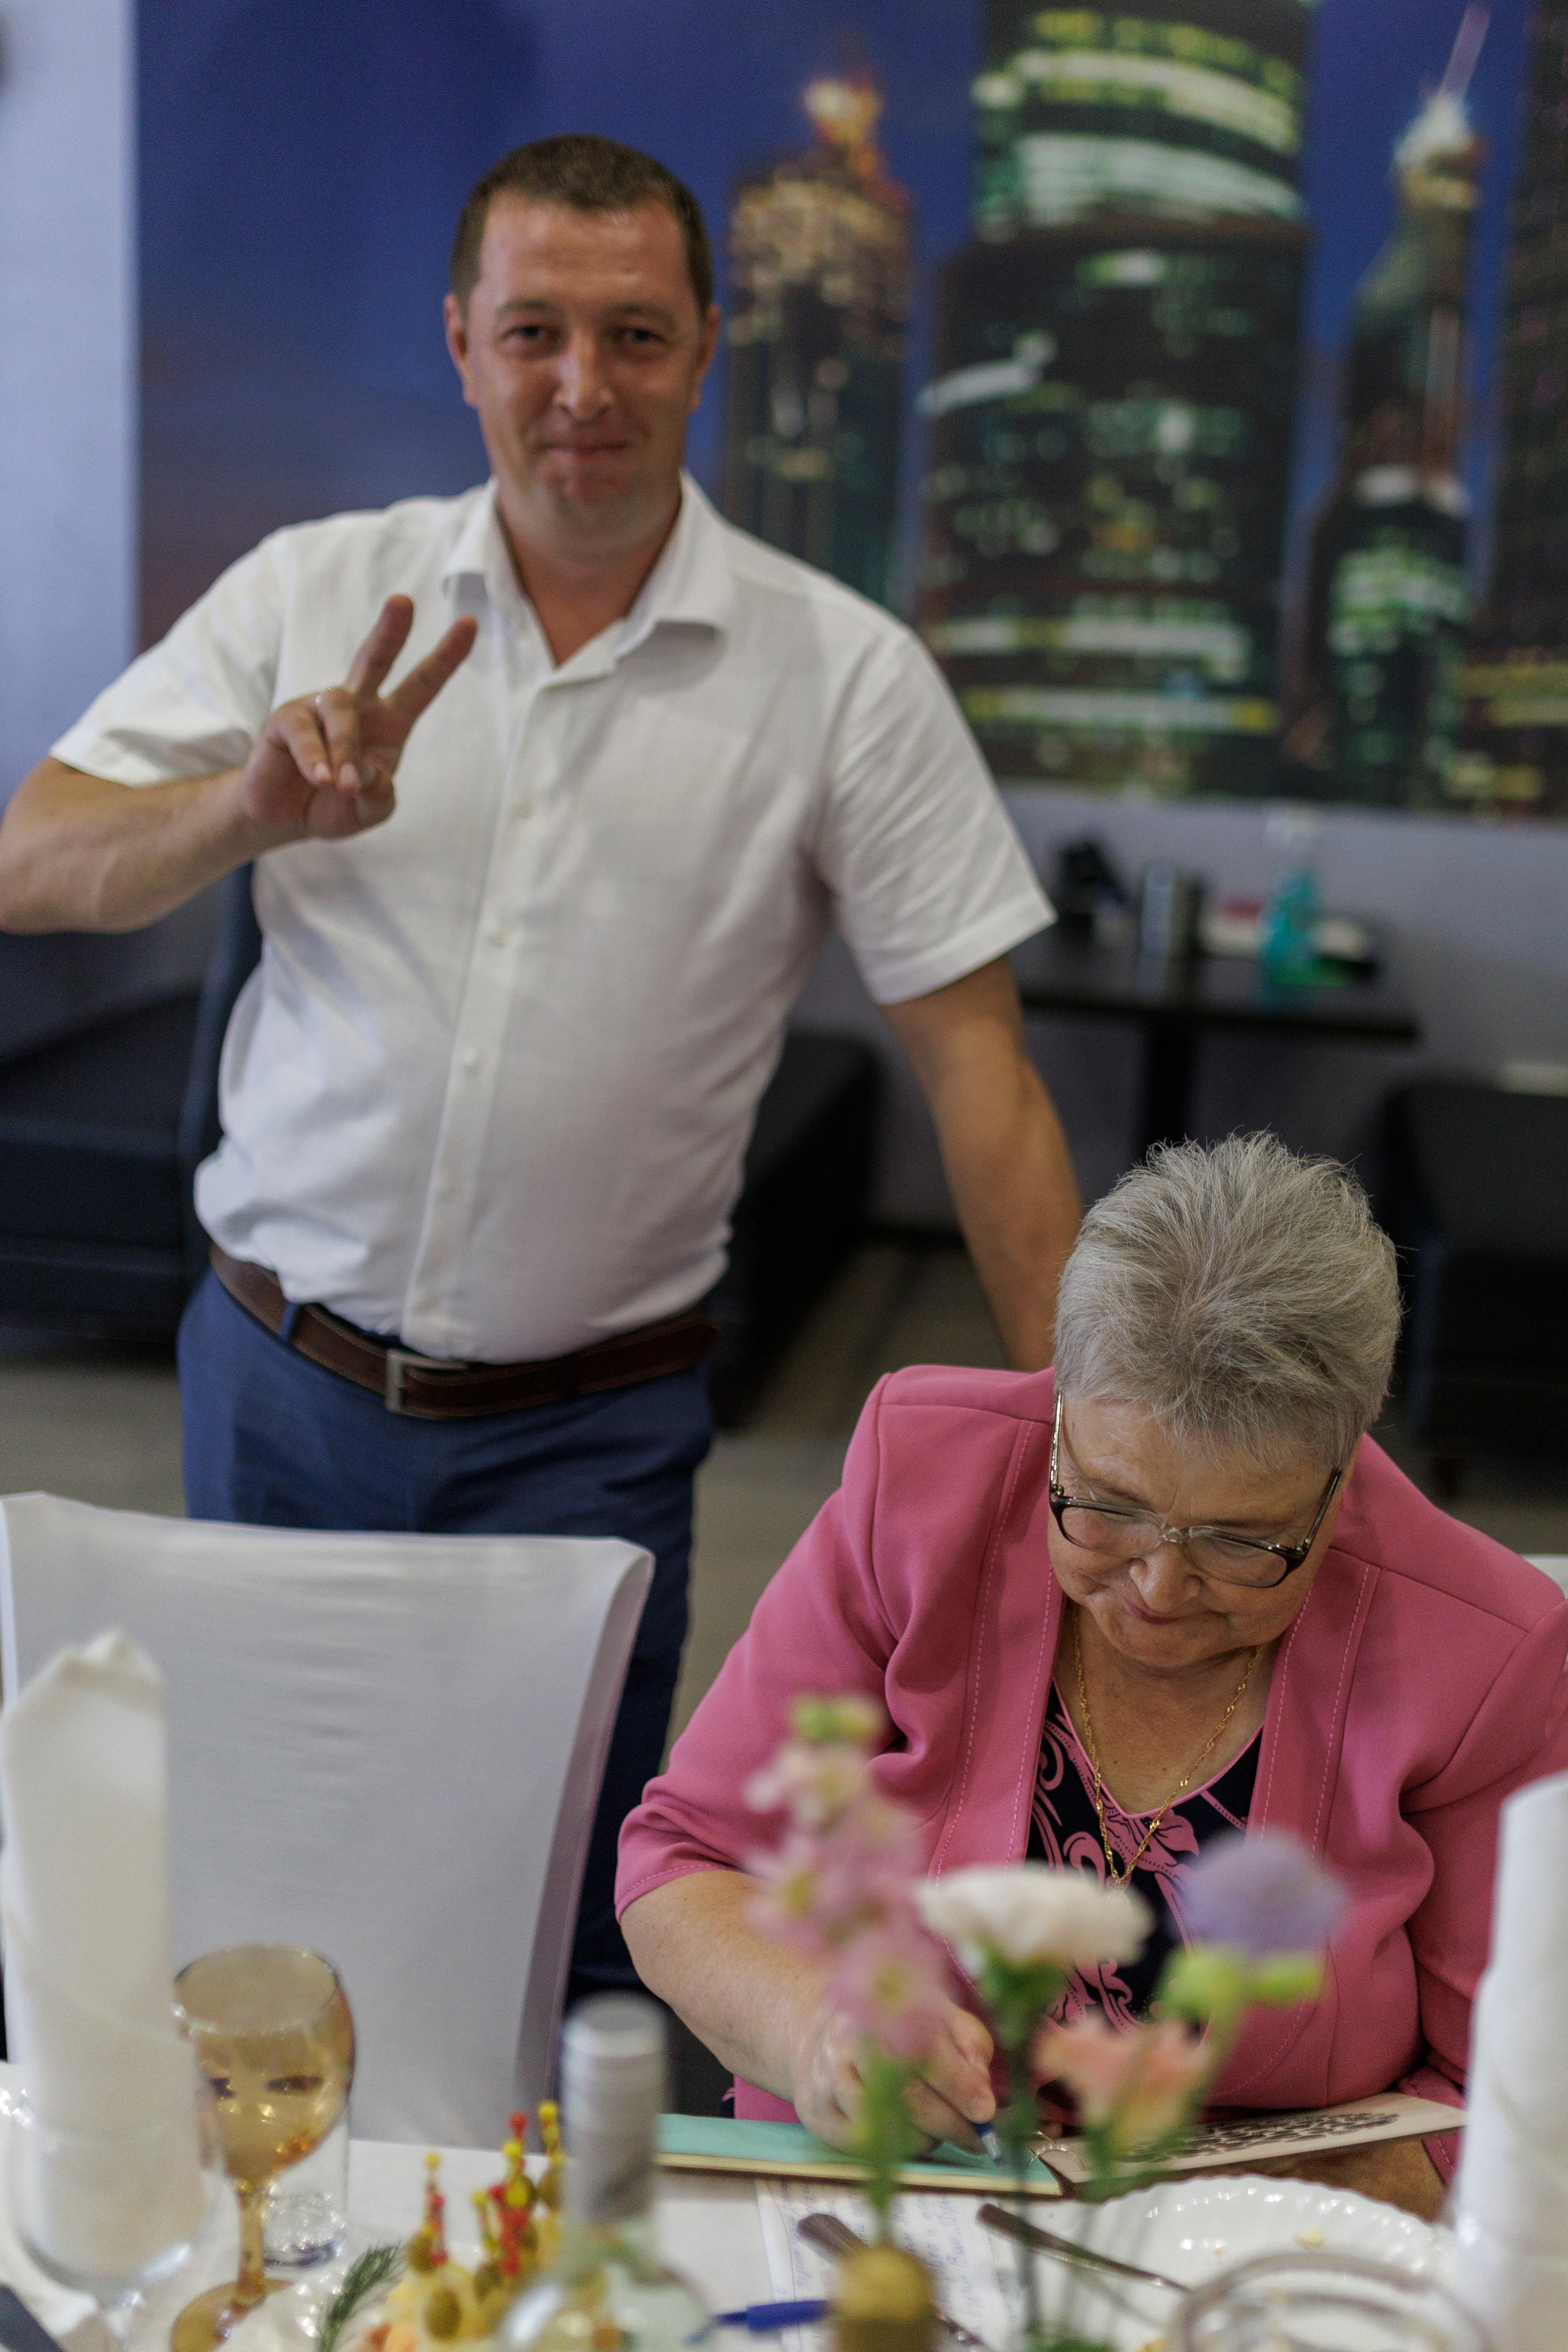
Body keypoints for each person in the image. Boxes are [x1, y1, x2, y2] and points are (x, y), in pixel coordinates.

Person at [0, 135, 1081, 2002]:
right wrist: (244, 811)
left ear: (710, 344)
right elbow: (34, 860)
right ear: (462, 342)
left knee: (561, 1935)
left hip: (589, 1437)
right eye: (536, 332)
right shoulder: (314, 591)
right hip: (279, 1385)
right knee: (255, 1898)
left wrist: (1099, 1446)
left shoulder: (843, 674)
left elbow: (980, 1071)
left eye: (636, 333)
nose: (584, 383)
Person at [619, 1134, 1568, 2219]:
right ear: (1063, 1408)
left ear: (1340, 1475)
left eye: (1239, 1540)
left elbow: (1510, 2086)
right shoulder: (924, 1484)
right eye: (1109, 1506)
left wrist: (1241, 2214)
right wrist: (812, 2030)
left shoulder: (1483, 1651)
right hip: (887, 2188)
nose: (1159, 1587)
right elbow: (682, 1860)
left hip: (1246, 2241)